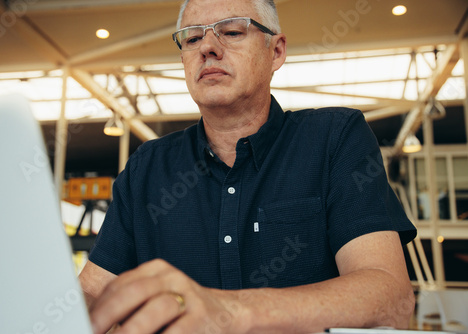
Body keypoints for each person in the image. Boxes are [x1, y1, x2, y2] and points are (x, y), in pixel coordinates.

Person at [79, 0, 417, 333]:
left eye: (232, 31)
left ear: (277, 51)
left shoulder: (334, 139)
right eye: (192, 38)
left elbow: (390, 299)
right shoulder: (146, 168)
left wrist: (229, 311)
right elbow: (92, 291)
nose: (208, 47)